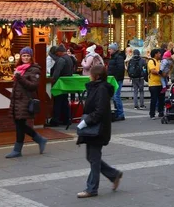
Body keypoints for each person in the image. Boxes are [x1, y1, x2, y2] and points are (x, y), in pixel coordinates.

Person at [76, 65, 123, 198]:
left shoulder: (101, 88)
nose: (89, 75)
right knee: (91, 157)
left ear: (96, 75)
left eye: (91, 73)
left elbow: (100, 110)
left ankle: (91, 188)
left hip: (98, 128)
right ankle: (113, 174)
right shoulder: (95, 87)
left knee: (94, 158)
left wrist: (86, 121)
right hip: (94, 127)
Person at [6, 47, 47, 158]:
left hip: (25, 100)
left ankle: (17, 150)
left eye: (28, 56)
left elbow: (33, 86)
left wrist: (19, 77)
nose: (25, 58)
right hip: (17, 100)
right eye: (24, 55)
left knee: (20, 125)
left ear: (31, 57)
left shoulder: (34, 69)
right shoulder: (19, 68)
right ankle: (39, 139)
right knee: (19, 124)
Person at [48, 44, 75, 127]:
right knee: (64, 101)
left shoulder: (61, 60)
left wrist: (53, 80)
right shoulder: (69, 58)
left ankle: (55, 120)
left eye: (57, 53)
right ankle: (66, 119)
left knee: (58, 102)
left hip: (60, 83)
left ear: (60, 52)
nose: (56, 55)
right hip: (66, 83)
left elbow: (57, 72)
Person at [107, 43, 126, 121]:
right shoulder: (114, 57)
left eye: (110, 49)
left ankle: (120, 113)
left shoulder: (118, 58)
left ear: (114, 50)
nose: (109, 50)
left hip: (116, 79)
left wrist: (116, 78)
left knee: (116, 96)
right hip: (113, 79)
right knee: (114, 96)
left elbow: (120, 69)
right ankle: (118, 112)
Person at [147, 49, 164, 120]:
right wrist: (160, 73)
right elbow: (152, 71)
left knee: (161, 99)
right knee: (154, 99)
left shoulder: (160, 61)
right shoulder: (151, 61)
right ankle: (152, 113)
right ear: (155, 54)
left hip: (160, 83)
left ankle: (161, 112)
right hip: (153, 84)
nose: (160, 54)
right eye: (159, 53)